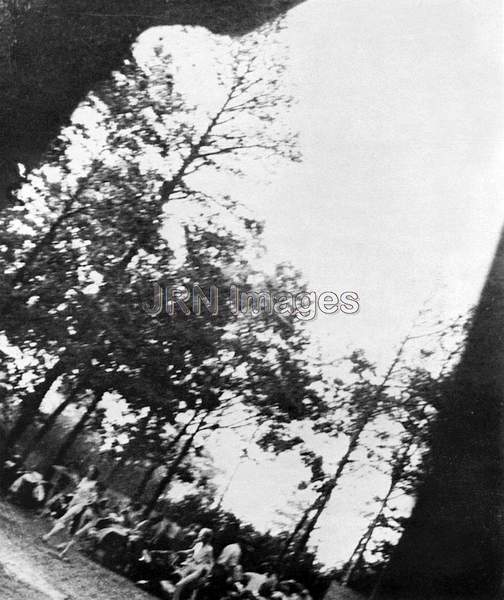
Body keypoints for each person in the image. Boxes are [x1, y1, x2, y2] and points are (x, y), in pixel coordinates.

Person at [42, 465, 100, 544]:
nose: (88, 472)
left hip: (81, 506)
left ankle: (48, 536)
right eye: (89, 470)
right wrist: (70, 502)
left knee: (64, 519)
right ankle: (64, 543)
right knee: (66, 524)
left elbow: (94, 497)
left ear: (94, 473)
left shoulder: (94, 484)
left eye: (91, 471)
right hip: (74, 502)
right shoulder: (84, 479)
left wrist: (88, 502)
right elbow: (77, 491)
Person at [173, 528, 214, 600]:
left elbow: (211, 562)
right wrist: (181, 551)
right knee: (183, 587)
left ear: (207, 538)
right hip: (190, 565)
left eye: (202, 535)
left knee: (179, 585)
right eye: (200, 535)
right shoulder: (198, 544)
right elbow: (191, 551)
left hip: (198, 569)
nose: (199, 537)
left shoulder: (209, 549)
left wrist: (206, 576)